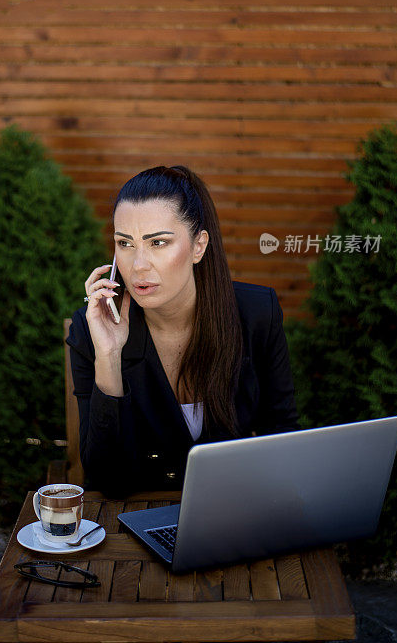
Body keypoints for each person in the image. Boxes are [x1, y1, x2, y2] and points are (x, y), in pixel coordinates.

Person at [66, 165, 299, 497]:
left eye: (158, 242)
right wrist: (108, 354)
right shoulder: (94, 329)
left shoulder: (257, 313)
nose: (139, 265)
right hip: (134, 517)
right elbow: (106, 481)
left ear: (198, 246)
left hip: (232, 510)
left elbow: (283, 435)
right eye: (125, 243)